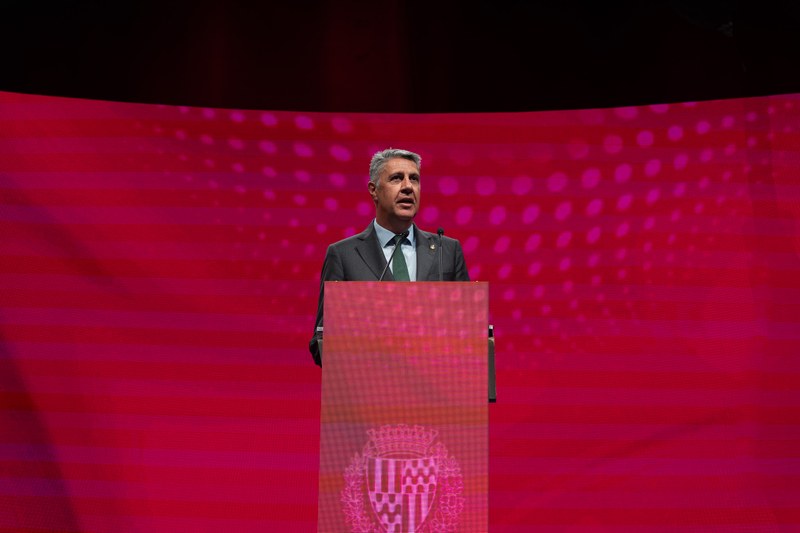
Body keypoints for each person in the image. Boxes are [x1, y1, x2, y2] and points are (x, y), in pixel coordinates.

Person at [309, 148, 470, 365]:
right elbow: (322, 341)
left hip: (434, 381)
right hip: (371, 381)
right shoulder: (343, 255)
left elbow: (470, 330)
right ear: (373, 190)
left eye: (414, 179)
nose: (408, 187)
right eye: (396, 178)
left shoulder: (447, 250)